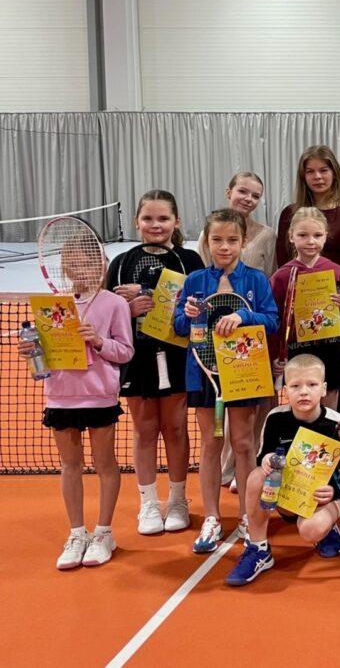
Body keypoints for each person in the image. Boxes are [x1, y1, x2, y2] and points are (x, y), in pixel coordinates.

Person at [21, 237, 133, 569]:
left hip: (99, 396)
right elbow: (44, 355)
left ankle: (103, 533)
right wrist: (33, 351)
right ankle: (77, 533)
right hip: (60, 395)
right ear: (64, 268)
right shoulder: (53, 306)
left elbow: (125, 351)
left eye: (87, 262)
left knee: (104, 464)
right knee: (70, 465)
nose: (80, 268)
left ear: (101, 265)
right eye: (72, 263)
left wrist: (98, 341)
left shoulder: (115, 304)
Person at [173, 209, 279, 554]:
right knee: (211, 443)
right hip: (204, 373)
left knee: (244, 444)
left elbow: (272, 320)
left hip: (244, 370)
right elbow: (178, 326)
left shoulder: (256, 280)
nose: (224, 246)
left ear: (243, 242)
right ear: (207, 241)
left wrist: (243, 315)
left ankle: (248, 515)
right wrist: (187, 315)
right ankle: (212, 518)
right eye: (217, 239)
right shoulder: (195, 280)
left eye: (232, 240)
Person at [104, 190, 203, 535]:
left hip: (177, 355)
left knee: (175, 428)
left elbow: (198, 306)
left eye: (163, 218)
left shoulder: (190, 260)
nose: (155, 225)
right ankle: (148, 503)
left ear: (176, 222)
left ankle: (177, 499)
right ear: (137, 222)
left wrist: (151, 296)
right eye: (148, 218)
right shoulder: (121, 263)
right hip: (137, 357)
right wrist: (126, 310)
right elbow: (106, 314)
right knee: (144, 430)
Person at [225, 355, 340, 586]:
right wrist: (267, 460)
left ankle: (326, 529)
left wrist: (333, 491)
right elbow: (263, 456)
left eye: (312, 385)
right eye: (295, 386)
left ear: (323, 389)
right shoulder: (275, 418)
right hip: (287, 495)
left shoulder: (339, 424)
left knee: (310, 530)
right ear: (285, 390)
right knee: (256, 477)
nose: (304, 392)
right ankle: (259, 549)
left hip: (325, 498)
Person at [204, 172, 278, 492]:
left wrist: (248, 317)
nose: (248, 199)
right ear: (229, 191)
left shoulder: (267, 236)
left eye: (255, 195)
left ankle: (248, 466)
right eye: (243, 191)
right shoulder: (209, 231)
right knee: (221, 408)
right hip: (215, 337)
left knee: (254, 408)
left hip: (252, 333)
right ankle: (225, 467)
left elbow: (270, 281)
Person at [270, 207, 340, 407]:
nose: (311, 241)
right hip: (297, 349)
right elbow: (273, 320)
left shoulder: (337, 271)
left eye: (317, 235)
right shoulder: (282, 276)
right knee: (302, 402)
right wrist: (276, 355)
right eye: (303, 235)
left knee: (330, 404)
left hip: (330, 348)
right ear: (291, 236)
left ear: (326, 236)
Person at [275, 145, 340, 289]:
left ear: (334, 173)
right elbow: (283, 260)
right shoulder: (289, 213)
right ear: (303, 177)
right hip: (298, 292)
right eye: (310, 171)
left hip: (338, 293)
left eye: (323, 170)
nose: (317, 176)